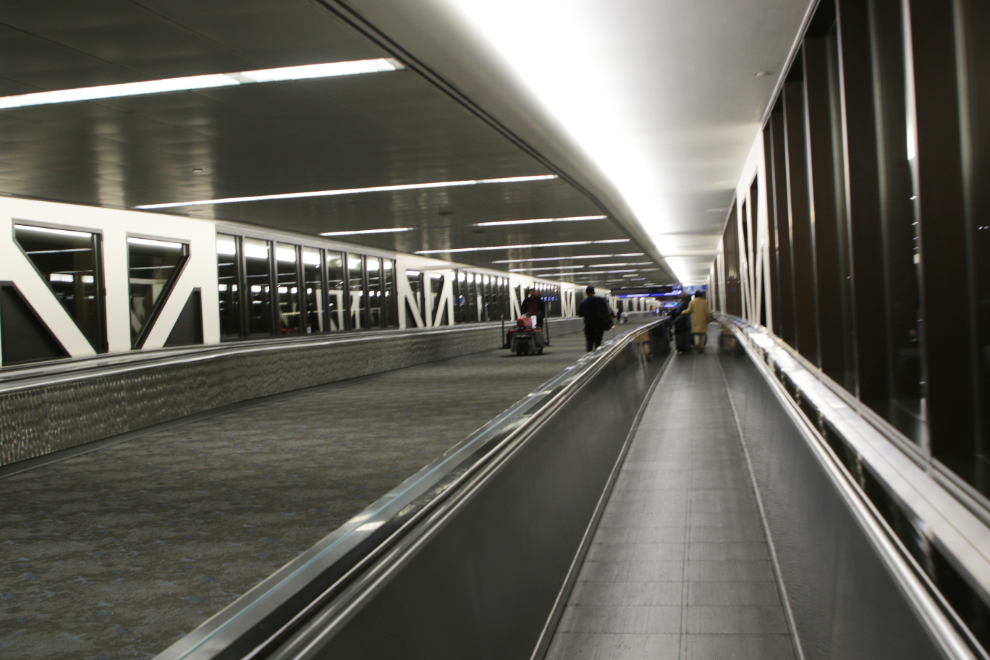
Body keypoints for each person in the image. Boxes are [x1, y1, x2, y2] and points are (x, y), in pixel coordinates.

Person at [578, 286, 614, 351]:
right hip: (599, 325)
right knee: (598, 343)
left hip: (588, 326)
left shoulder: (583, 302)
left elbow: (580, 313)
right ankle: (598, 356)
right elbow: (607, 310)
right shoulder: (600, 299)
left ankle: (589, 356)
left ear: (586, 293)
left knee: (589, 342)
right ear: (594, 293)